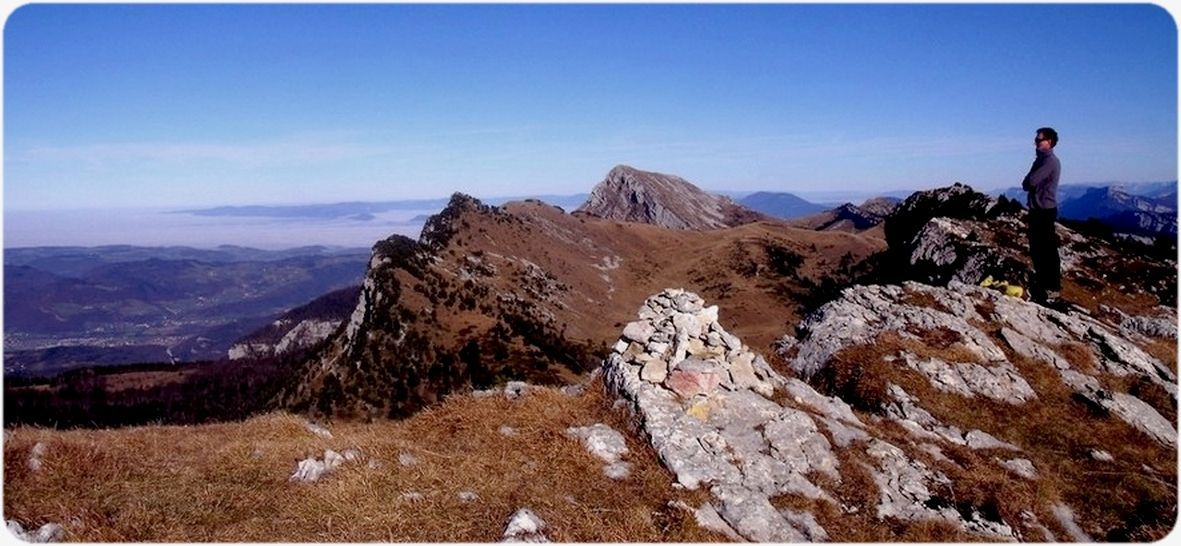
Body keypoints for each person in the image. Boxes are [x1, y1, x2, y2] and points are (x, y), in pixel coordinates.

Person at [1022, 127, 1061, 304]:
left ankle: (1052, 288)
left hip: (1044, 211)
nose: (1036, 143)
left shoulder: (1049, 161)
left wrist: (1030, 182)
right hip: (1038, 210)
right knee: (1038, 249)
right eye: (1036, 140)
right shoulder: (1040, 160)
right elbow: (1027, 183)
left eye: (1040, 140)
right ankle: (1043, 284)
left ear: (1049, 142)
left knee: (1047, 250)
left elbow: (1030, 181)